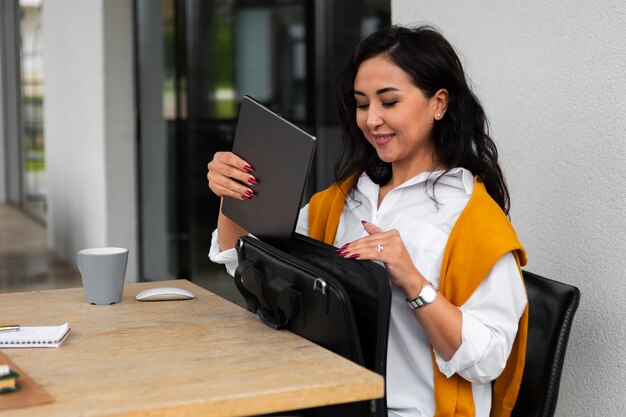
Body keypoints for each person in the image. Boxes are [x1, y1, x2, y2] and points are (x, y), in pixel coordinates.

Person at [207, 25, 528, 417]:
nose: (372, 119)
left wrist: (412, 281)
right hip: (331, 400)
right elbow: (248, 261)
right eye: (362, 104)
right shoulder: (345, 199)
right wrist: (234, 194)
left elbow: (490, 359)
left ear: (439, 103)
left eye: (389, 102)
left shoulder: (474, 220)